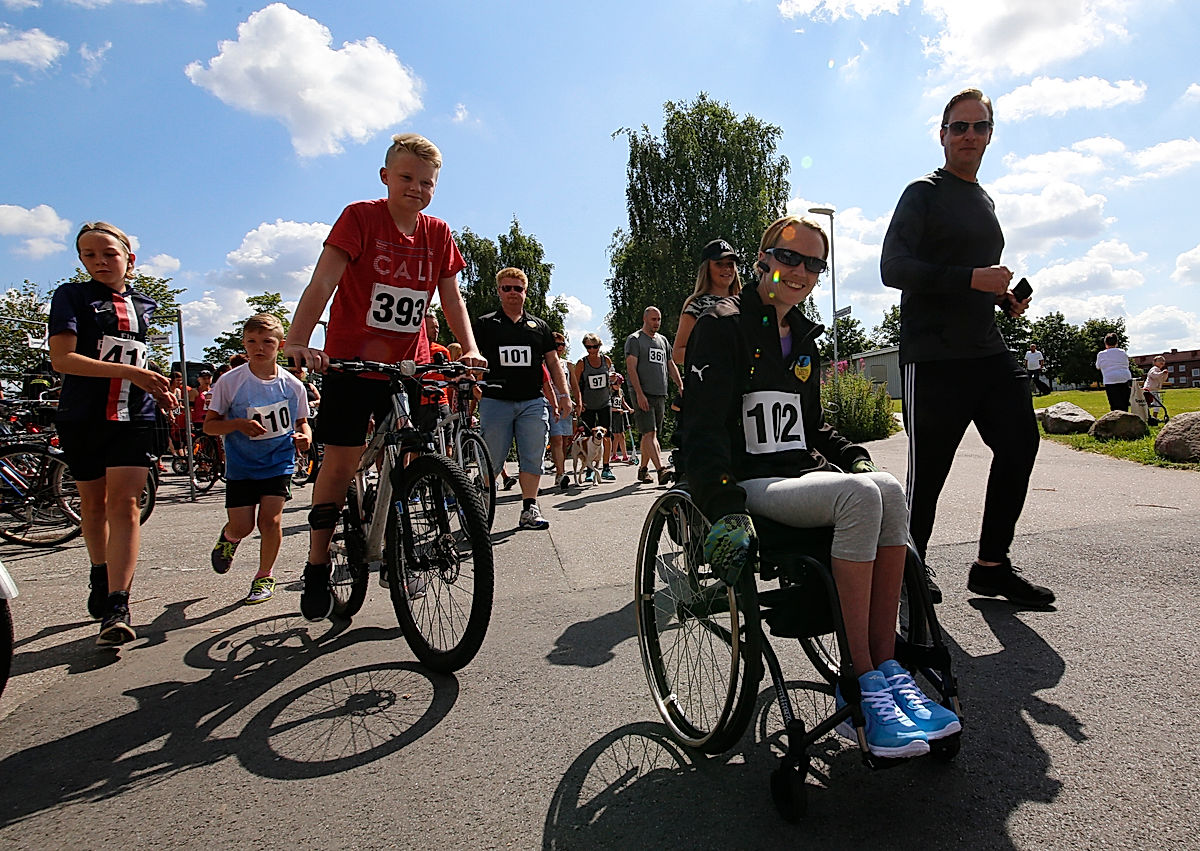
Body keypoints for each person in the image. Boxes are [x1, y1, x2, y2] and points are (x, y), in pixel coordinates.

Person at [681, 214, 959, 758]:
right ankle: (858, 680)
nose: (800, 271)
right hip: (751, 482)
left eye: (814, 264)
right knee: (859, 497)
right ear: (763, 258)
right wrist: (723, 505)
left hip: (798, 476)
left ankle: (887, 668)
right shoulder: (723, 325)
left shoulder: (804, 338)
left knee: (887, 488)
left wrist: (852, 457)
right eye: (789, 257)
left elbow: (810, 427)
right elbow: (702, 427)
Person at [283, 132, 485, 622]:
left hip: (409, 364)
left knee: (419, 450)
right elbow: (323, 282)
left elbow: (451, 298)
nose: (416, 189)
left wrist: (471, 347)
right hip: (352, 361)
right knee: (340, 462)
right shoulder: (360, 218)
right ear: (386, 178)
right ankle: (316, 563)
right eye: (407, 179)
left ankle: (402, 546)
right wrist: (297, 339)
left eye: (427, 182)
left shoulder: (437, 233)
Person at [880, 86, 1053, 609]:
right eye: (959, 127)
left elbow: (975, 278)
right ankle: (909, 567)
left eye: (979, 127)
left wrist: (1001, 297)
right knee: (929, 471)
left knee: (1021, 443)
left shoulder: (984, 200)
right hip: (933, 356)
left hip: (986, 349)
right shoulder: (922, 193)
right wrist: (970, 279)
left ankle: (991, 566)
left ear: (990, 136)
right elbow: (894, 268)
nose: (969, 135)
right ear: (942, 135)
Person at [48, 222, 176, 646]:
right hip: (83, 415)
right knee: (94, 502)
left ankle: (118, 604)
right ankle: (99, 571)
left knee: (126, 503)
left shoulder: (146, 305)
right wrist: (132, 372)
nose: (100, 261)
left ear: (129, 258)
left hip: (133, 417)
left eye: (108, 253)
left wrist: (155, 388)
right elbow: (63, 360)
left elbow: (136, 361)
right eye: (89, 255)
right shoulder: (72, 296)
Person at [204, 314, 311, 605]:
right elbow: (209, 426)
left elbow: (302, 422)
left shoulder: (292, 385)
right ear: (244, 343)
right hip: (242, 464)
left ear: (281, 345)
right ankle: (229, 538)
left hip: (279, 461)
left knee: (270, 520)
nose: (259, 347)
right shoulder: (230, 381)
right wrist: (238, 425)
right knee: (243, 526)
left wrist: (306, 438)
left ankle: (264, 576)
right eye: (252, 341)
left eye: (267, 342)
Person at [473, 267, 572, 529]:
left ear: (526, 292)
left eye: (518, 288)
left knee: (533, 456)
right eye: (507, 288)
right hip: (496, 401)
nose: (513, 293)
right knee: (493, 458)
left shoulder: (539, 327)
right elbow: (473, 356)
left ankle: (529, 508)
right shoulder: (485, 324)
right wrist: (473, 384)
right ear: (499, 291)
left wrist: (564, 396)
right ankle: (481, 499)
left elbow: (552, 362)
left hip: (532, 401)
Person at [625, 306, 684, 485]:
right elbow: (631, 369)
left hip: (660, 393)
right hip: (643, 393)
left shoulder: (663, 341)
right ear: (645, 319)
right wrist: (639, 394)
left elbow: (670, 364)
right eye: (653, 319)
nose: (656, 323)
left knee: (650, 434)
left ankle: (643, 470)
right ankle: (660, 470)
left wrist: (680, 385)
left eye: (658, 319)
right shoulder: (635, 340)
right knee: (650, 432)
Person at [672, 238, 743, 368]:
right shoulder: (697, 305)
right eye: (719, 264)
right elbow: (677, 353)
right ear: (707, 268)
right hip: (712, 383)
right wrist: (713, 353)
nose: (726, 269)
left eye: (730, 264)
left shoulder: (745, 303)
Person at [572, 333, 615, 483]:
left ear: (600, 346)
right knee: (589, 436)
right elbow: (575, 384)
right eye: (588, 347)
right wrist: (579, 402)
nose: (592, 350)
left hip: (604, 402)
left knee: (607, 435)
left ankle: (606, 467)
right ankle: (589, 469)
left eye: (595, 346)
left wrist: (613, 380)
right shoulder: (582, 363)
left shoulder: (606, 360)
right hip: (588, 405)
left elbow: (611, 378)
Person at [547, 332, 574, 492]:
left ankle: (560, 471)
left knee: (564, 440)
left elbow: (574, 385)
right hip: (548, 404)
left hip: (565, 404)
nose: (559, 348)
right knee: (556, 439)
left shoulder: (567, 364)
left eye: (562, 344)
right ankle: (561, 472)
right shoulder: (543, 363)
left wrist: (576, 400)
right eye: (555, 345)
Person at [1095, 333, 1132, 412]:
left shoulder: (1101, 354)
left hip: (1110, 379)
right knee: (1124, 403)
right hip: (1125, 378)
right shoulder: (1122, 352)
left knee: (1114, 404)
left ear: (1105, 343)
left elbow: (1098, 366)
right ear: (1116, 343)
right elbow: (1126, 364)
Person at [609, 373, 635, 463]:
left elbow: (623, 402)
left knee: (622, 435)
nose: (618, 386)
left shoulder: (620, 391)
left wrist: (629, 408)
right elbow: (608, 406)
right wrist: (616, 409)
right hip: (613, 415)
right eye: (617, 384)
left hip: (620, 415)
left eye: (620, 384)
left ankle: (624, 455)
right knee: (616, 436)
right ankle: (614, 455)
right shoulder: (609, 393)